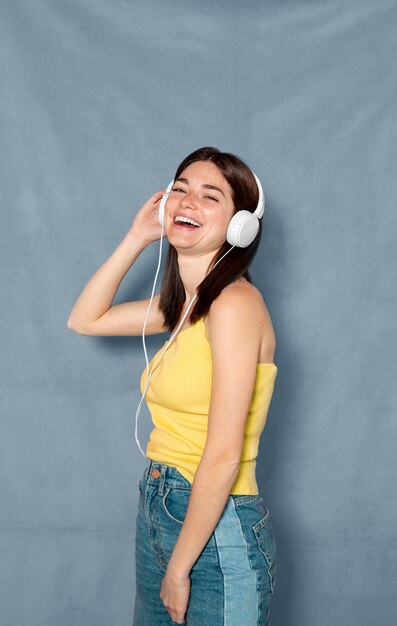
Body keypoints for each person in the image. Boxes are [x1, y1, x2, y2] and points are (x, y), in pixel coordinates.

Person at [67, 146, 278, 625]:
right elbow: (85, 319)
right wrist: (137, 236)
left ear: (240, 225)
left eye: (210, 196)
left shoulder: (234, 306)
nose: (187, 202)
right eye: (180, 189)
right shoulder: (183, 308)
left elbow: (224, 455)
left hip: (216, 524)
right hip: (160, 507)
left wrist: (179, 568)